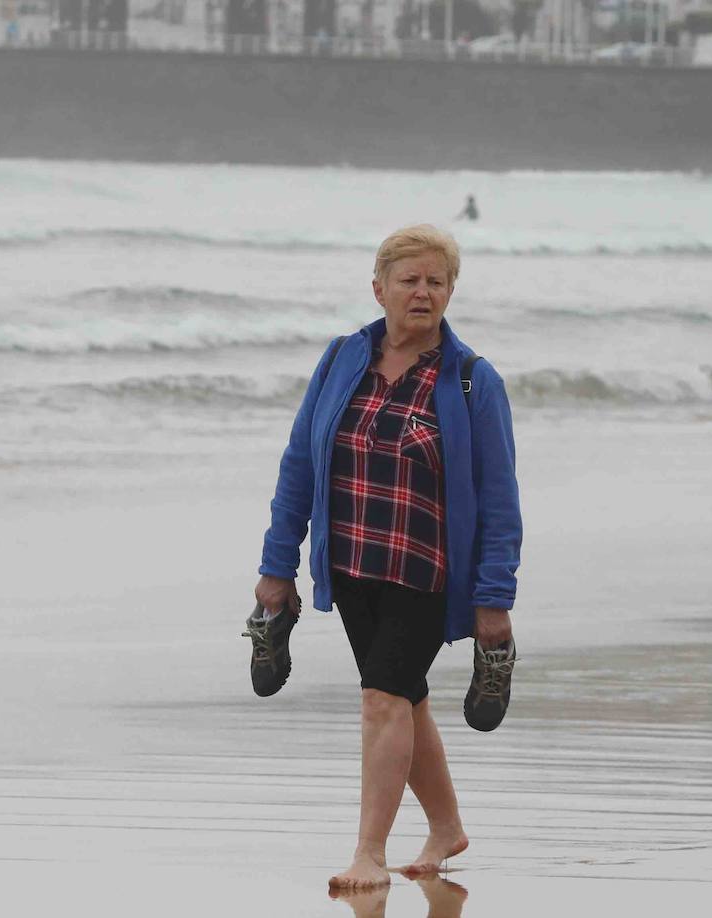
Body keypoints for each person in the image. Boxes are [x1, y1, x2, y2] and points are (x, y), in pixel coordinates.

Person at [245, 224, 522, 889]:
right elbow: (297, 466)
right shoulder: (342, 357)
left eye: (436, 281)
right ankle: (447, 825)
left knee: (381, 699)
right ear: (380, 288)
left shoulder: (470, 382)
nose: (422, 292)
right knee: (404, 698)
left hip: (430, 571)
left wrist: (494, 598)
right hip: (352, 565)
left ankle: (369, 853)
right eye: (409, 280)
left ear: (451, 291)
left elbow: (500, 496)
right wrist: (276, 565)